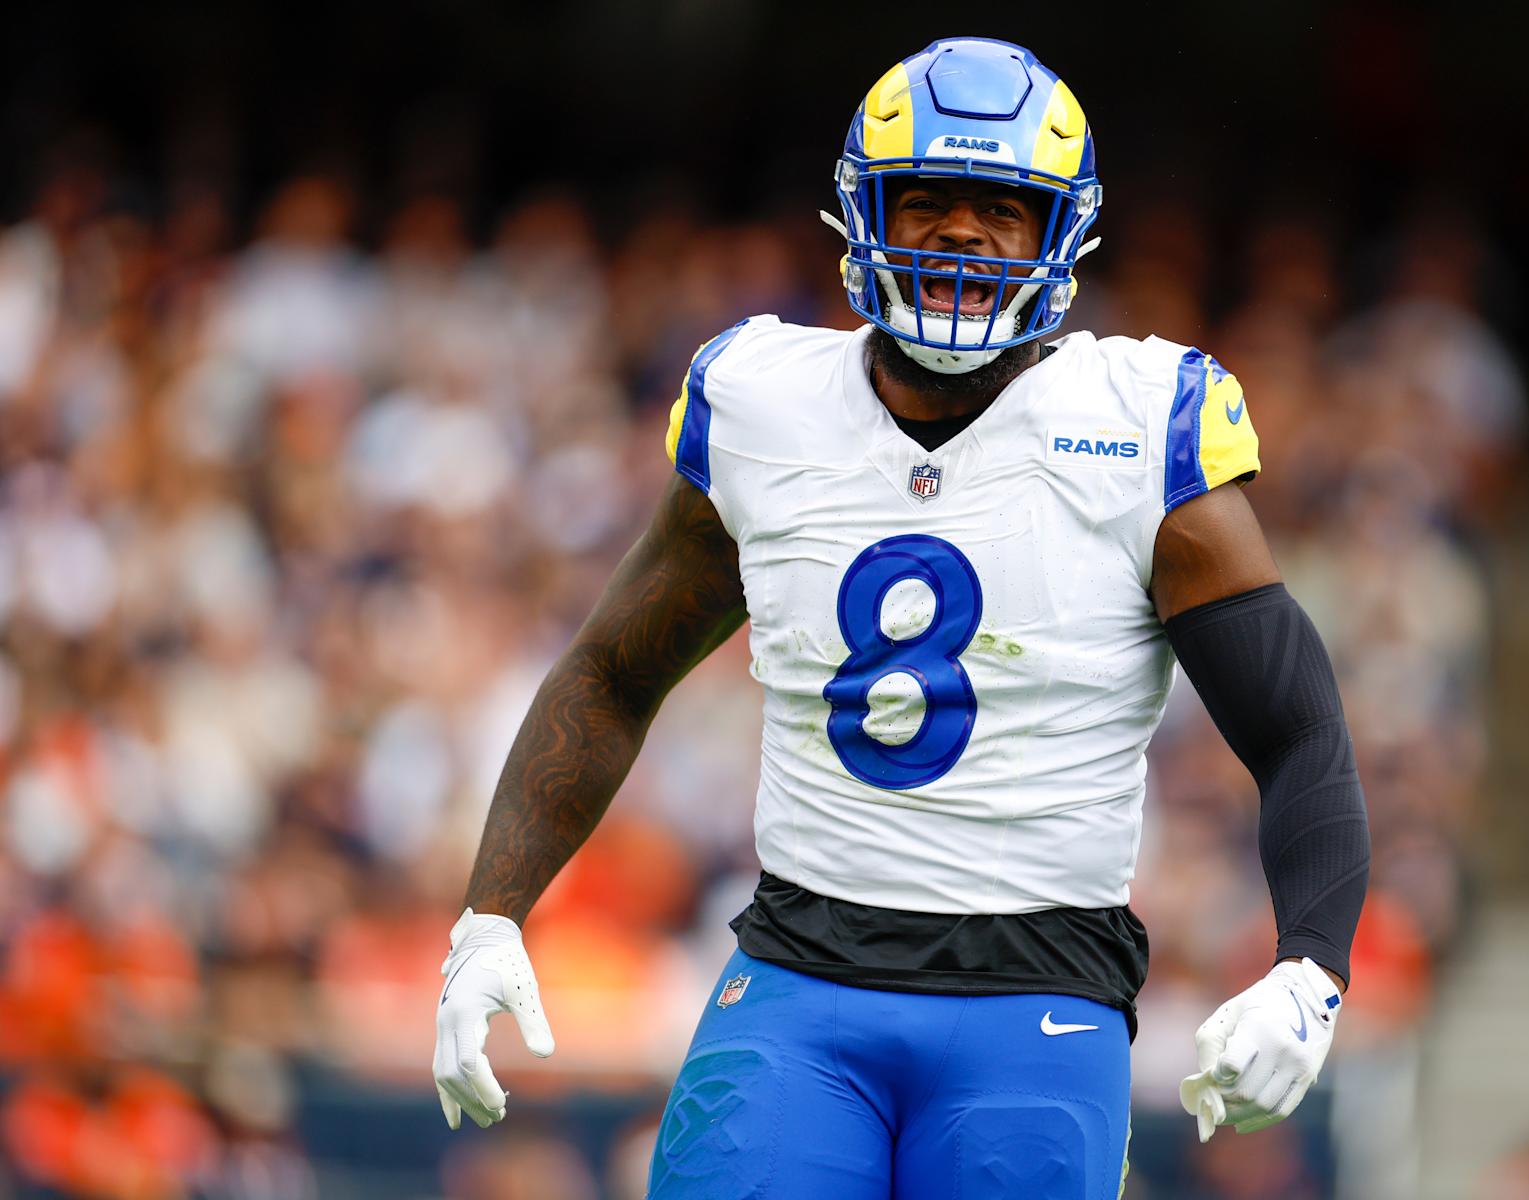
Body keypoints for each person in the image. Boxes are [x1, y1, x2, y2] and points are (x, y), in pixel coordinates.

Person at [431, 37, 1369, 1199]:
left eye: (1001, 208)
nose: (962, 233)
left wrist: (1309, 968)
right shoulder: (764, 403)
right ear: (863, 214)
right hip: (798, 976)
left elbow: (1297, 731)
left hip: (1038, 990)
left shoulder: (1142, 427)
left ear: (1061, 232)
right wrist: (490, 918)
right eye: (926, 200)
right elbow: (613, 671)